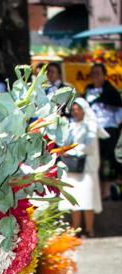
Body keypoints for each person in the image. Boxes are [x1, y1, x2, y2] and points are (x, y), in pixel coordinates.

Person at [60, 98, 104, 238]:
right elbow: (64, 143)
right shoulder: (71, 126)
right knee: (75, 200)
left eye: (77, 109)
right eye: (72, 110)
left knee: (88, 200)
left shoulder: (91, 126)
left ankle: (89, 229)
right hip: (73, 168)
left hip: (87, 169)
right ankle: (76, 229)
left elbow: (89, 147)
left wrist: (71, 151)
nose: (74, 112)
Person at [83, 63, 122, 200]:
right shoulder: (88, 90)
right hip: (92, 130)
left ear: (104, 75)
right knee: (94, 160)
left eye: (98, 73)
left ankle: (107, 191)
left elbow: (119, 109)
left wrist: (113, 125)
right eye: (93, 73)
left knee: (109, 159)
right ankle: (96, 191)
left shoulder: (111, 91)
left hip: (108, 129)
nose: (95, 75)